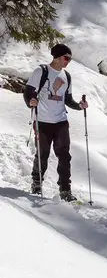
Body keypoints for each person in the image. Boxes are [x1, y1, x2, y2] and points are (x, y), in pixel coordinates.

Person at [23, 43, 88, 201]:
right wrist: (30, 100)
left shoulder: (67, 76)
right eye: (66, 58)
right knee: (42, 154)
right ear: (57, 57)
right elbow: (28, 91)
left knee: (64, 156)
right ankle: (37, 183)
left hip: (60, 122)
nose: (68, 61)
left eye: (70, 59)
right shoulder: (42, 71)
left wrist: (79, 106)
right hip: (43, 121)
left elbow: (68, 100)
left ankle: (65, 190)